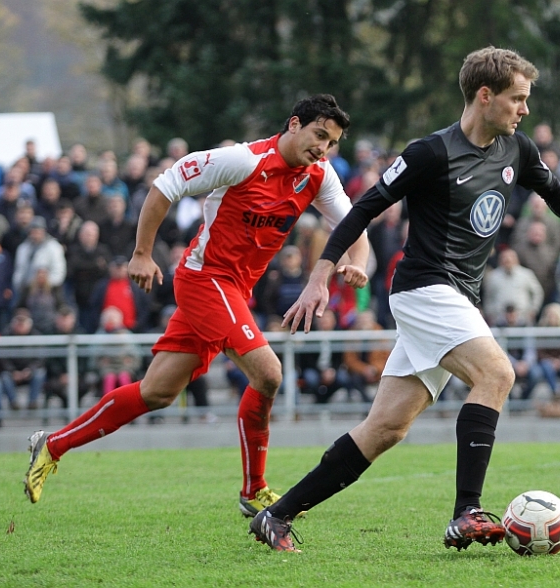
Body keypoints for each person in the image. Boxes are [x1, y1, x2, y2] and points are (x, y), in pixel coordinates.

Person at [255, 48, 560, 552]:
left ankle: (276, 515)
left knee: (385, 428)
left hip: (457, 296)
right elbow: (364, 209)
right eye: (517, 98)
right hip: (424, 288)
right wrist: (320, 276)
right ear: (485, 96)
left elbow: (556, 192)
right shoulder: (430, 152)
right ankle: (467, 511)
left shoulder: (517, 149)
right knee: (497, 374)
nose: (525, 109)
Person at [23, 96, 370, 528]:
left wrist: (358, 262)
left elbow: (354, 224)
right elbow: (165, 185)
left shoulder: (318, 175)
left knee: (157, 392)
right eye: (319, 135)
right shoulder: (242, 161)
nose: (323, 148)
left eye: (331, 142)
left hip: (233, 292)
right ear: (295, 124)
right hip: (205, 279)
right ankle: (254, 489)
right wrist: (142, 253)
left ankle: (51, 446)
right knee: (269, 373)